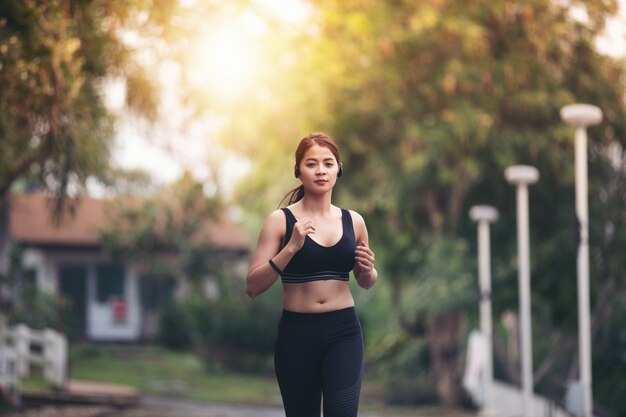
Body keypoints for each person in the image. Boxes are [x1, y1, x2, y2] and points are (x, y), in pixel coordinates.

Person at [246, 132, 378, 417]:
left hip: (343, 332)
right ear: (298, 171)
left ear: (338, 170)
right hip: (296, 335)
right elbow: (253, 286)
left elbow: (365, 282)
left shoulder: (354, 221)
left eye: (328, 163)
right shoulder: (280, 221)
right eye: (312, 164)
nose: (321, 170)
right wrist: (291, 247)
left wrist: (368, 270)